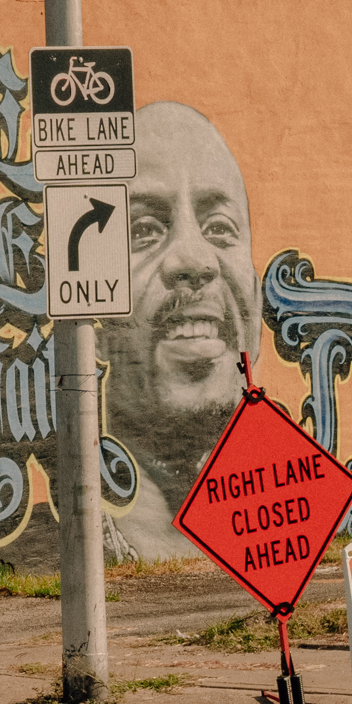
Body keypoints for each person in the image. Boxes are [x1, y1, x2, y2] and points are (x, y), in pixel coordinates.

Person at [99, 100, 257, 560]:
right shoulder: (46, 558)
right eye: (143, 229)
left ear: (257, 292)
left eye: (220, 228)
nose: (196, 260)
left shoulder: (297, 522)